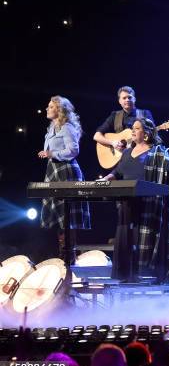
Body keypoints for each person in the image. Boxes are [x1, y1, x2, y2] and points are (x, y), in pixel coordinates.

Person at [100, 118, 169, 282]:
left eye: (136, 128)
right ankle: (124, 277)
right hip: (127, 204)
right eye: (132, 128)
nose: (132, 131)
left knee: (142, 243)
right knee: (125, 240)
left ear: (146, 134)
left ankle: (144, 277)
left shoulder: (156, 152)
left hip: (148, 206)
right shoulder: (127, 152)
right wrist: (106, 178)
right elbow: (117, 172)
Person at [38, 95, 91, 266]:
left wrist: (53, 154)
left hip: (66, 171)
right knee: (58, 217)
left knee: (66, 216)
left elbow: (73, 150)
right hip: (53, 171)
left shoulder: (67, 128)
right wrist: (48, 154)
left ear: (59, 110)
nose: (47, 109)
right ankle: (63, 256)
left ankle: (68, 257)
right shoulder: (52, 128)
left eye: (51, 106)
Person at [93, 86, 155, 151]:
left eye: (130, 97)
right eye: (124, 98)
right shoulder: (114, 115)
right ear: (119, 101)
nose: (127, 100)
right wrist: (112, 143)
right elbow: (96, 136)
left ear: (134, 99)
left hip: (140, 154)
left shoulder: (145, 114)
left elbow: (153, 135)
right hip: (120, 157)